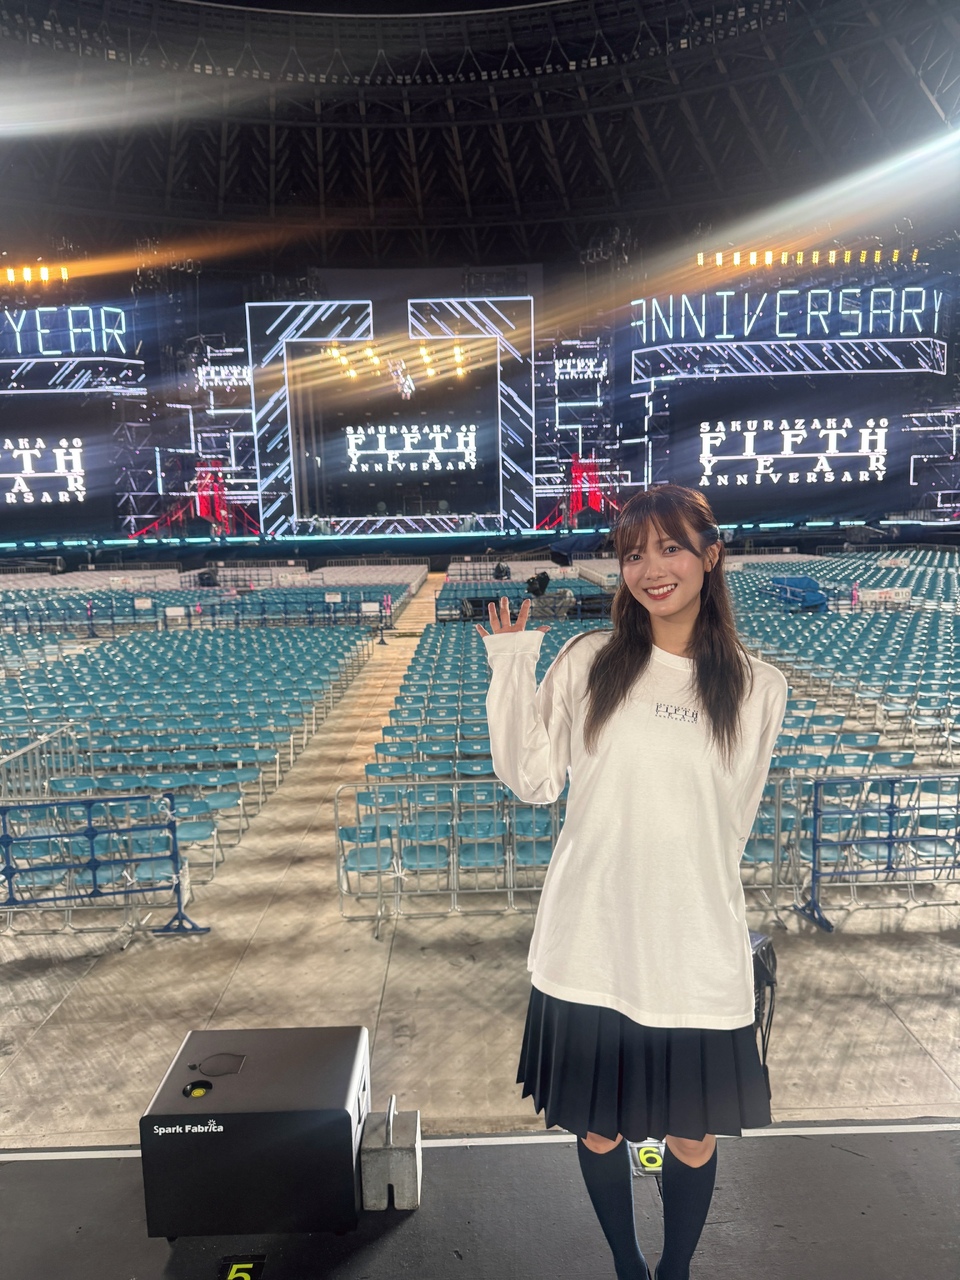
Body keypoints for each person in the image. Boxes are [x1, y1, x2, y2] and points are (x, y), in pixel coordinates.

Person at [476, 484, 787, 1280]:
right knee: (598, 1128)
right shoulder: (590, 662)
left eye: (671, 548)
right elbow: (533, 780)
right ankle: (627, 1265)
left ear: (710, 555)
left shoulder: (759, 687)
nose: (652, 569)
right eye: (634, 554)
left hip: (693, 944)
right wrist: (511, 664)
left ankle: (674, 1271)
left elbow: (734, 820)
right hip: (591, 937)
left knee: (694, 1135)